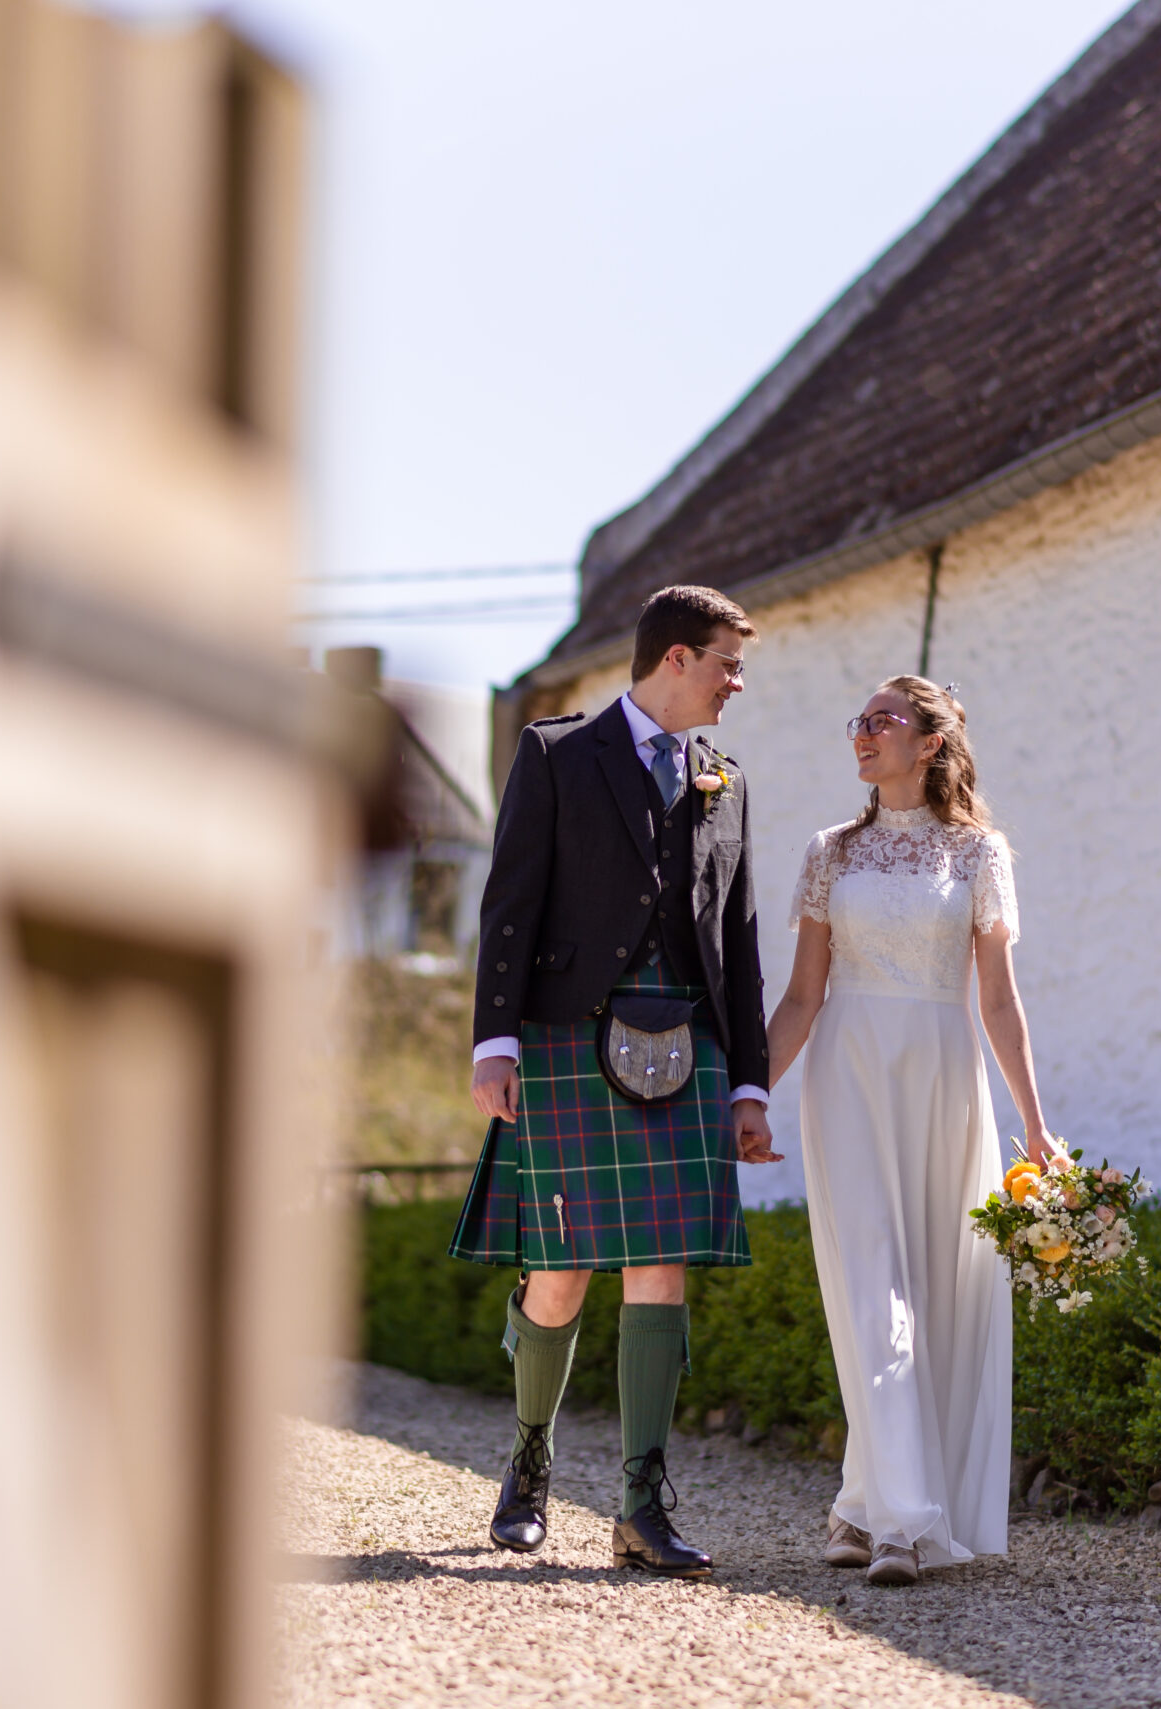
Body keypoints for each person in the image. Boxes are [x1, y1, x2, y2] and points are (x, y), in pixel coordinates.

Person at [447, 584, 781, 1580]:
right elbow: (510, 902)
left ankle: (640, 1504)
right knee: (560, 1271)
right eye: (726, 663)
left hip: (688, 1036)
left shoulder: (725, 779)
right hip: (566, 1033)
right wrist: (493, 1040)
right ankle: (529, 1465)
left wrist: (750, 1084)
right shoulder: (558, 754)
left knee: (662, 1262)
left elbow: (737, 941)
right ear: (675, 657)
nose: (736, 683)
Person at [765, 675, 1052, 1587]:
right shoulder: (830, 852)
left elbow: (998, 1000)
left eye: (881, 720)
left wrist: (1035, 1124)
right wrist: (744, 1095)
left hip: (941, 1077)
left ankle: (859, 1503)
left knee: (925, 1288)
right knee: (870, 1284)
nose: (862, 732)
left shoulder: (978, 853)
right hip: (846, 1072)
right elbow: (802, 996)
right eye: (857, 720)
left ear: (930, 741)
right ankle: (905, 1522)